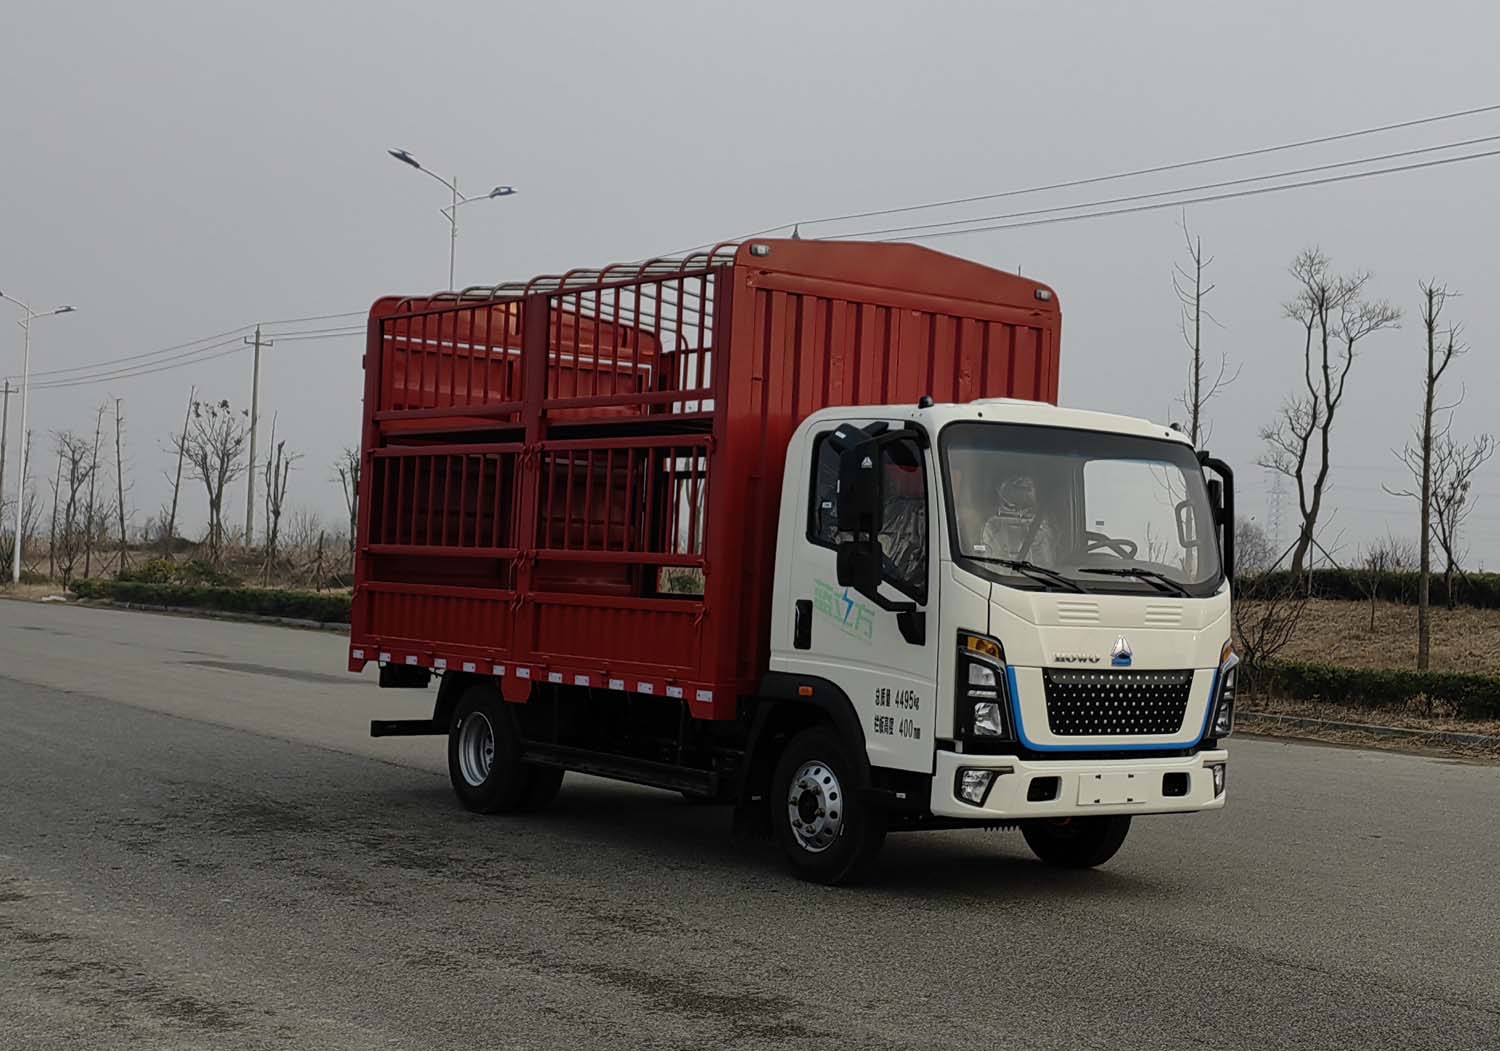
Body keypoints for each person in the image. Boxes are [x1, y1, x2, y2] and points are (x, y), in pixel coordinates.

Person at [977, 472, 1059, 564]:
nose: (1025, 494)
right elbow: (990, 562)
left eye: (1028, 489)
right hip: (1000, 577)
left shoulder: (1042, 521)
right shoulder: (994, 524)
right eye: (1020, 489)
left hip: (1041, 576)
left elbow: (1049, 560)